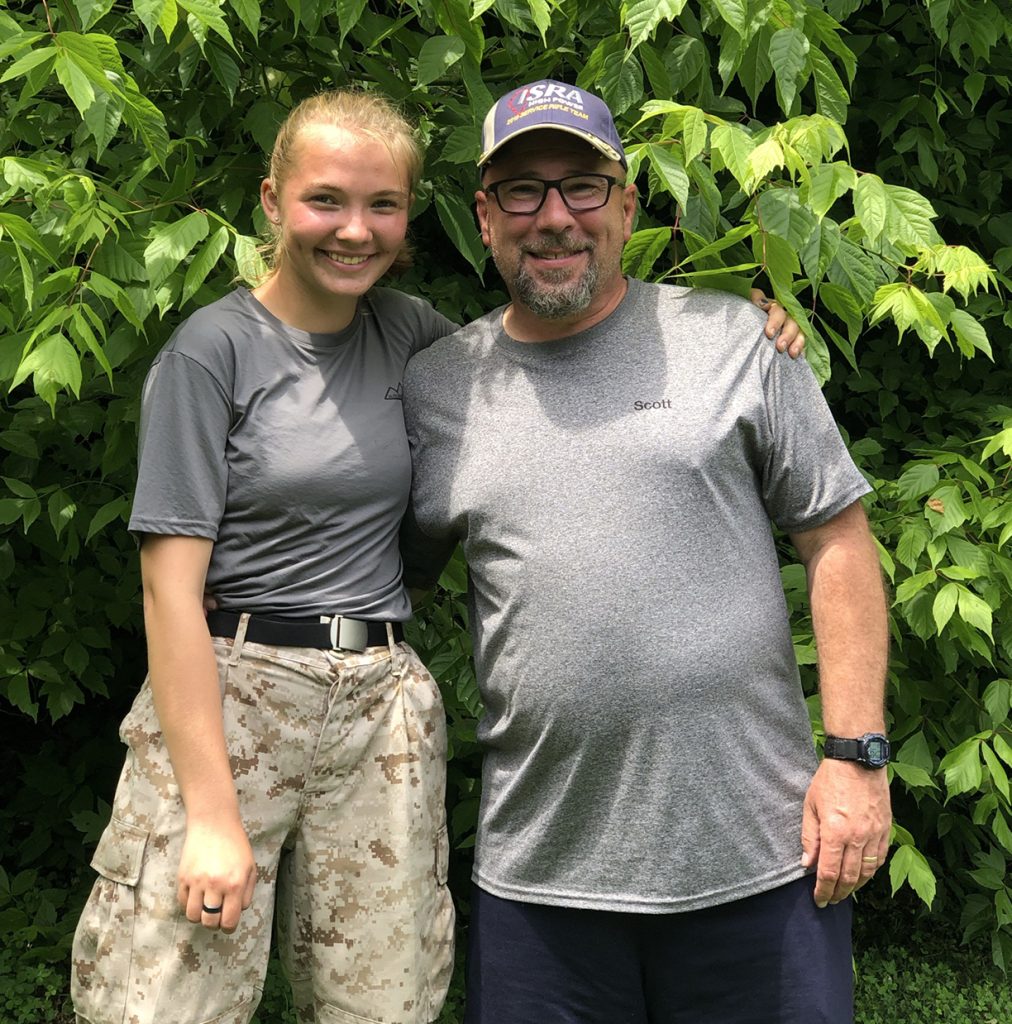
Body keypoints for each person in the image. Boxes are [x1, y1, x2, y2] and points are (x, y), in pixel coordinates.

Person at [69, 87, 802, 1024]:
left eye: (383, 205)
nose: (355, 230)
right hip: (232, 690)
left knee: (387, 1003)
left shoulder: (416, 339)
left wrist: (747, 329)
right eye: (326, 200)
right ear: (269, 200)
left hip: (381, 701)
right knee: (166, 998)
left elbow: (556, 351)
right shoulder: (211, 355)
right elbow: (167, 594)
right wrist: (211, 811)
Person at [400, 80, 892, 1024]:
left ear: (627, 205)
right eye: (522, 191)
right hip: (540, 879)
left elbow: (836, 537)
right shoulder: (437, 389)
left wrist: (858, 757)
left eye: (583, 187)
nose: (554, 219)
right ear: (484, 217)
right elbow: (384, 582)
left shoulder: (732, 340)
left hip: (759, 859)